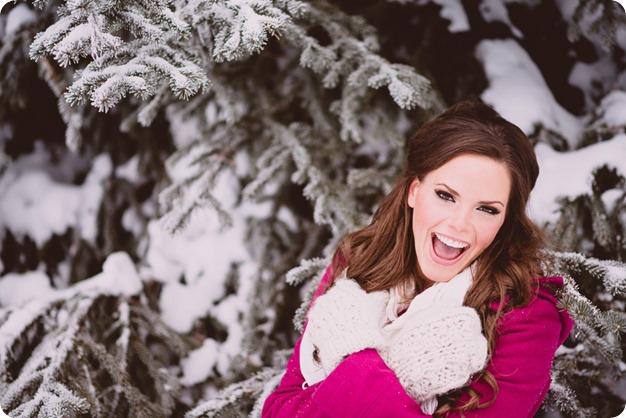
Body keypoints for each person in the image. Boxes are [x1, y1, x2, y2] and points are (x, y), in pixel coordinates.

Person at [262, 100, 574, 417]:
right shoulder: (358, 262)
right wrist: (398, 378)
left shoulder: (526, 316)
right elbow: (278, 409)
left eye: (486, 209)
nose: (460, 223)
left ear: (505, 221)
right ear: (414, 190)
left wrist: (355, 358)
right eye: (445, 196)